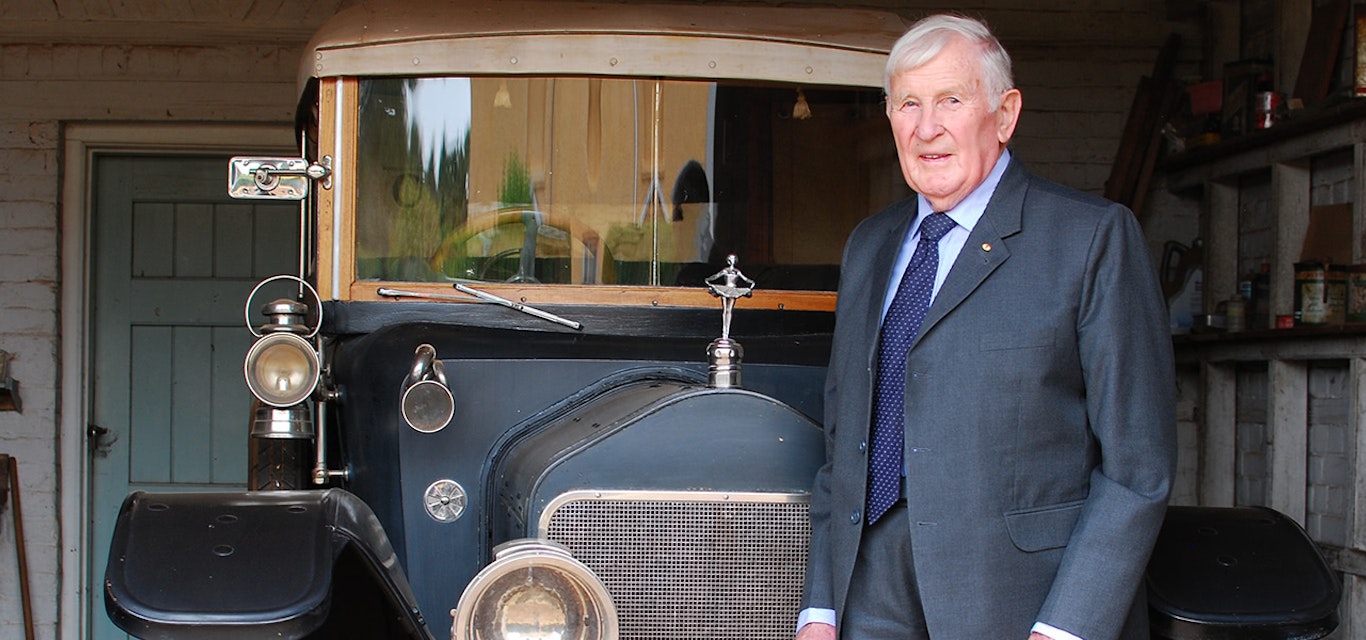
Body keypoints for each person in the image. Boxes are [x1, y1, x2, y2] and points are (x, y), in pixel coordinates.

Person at [797, 13, 1175, 640]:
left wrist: (1068, 626)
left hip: (1018, 601)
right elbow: (845, 443)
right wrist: (820, 607)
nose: (927, 127)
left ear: (1004, 114)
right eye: (908, 103)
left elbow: (1139, 467)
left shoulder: (1092, 238)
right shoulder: (870, 245)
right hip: (869, 589)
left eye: (951, 99)